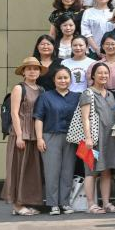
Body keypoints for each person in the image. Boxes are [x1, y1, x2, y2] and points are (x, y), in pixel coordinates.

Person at [35, 65, 80, 215]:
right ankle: (53, 204)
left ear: (70, 80)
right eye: (59, 78)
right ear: (54, 80)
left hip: (71, 138)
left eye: (66, 77)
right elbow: (39, 118)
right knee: (52, 171)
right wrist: (39, 138)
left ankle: (65, 203)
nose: (63, 80)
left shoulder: (77, 97)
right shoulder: (45, 97)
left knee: (68, 170)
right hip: (50, 136)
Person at [4, 58, 45, 216]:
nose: (32, 71)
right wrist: (19, 135)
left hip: (35, 134)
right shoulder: (19, 88)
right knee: (18, 169)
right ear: (23, 72)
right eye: (29, 69)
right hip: (21, 134)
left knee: (29, 171)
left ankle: (24, 203)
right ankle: (17, 205)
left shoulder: (41, 89)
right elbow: (14, 113)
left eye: (35, 68)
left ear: (39, 72)